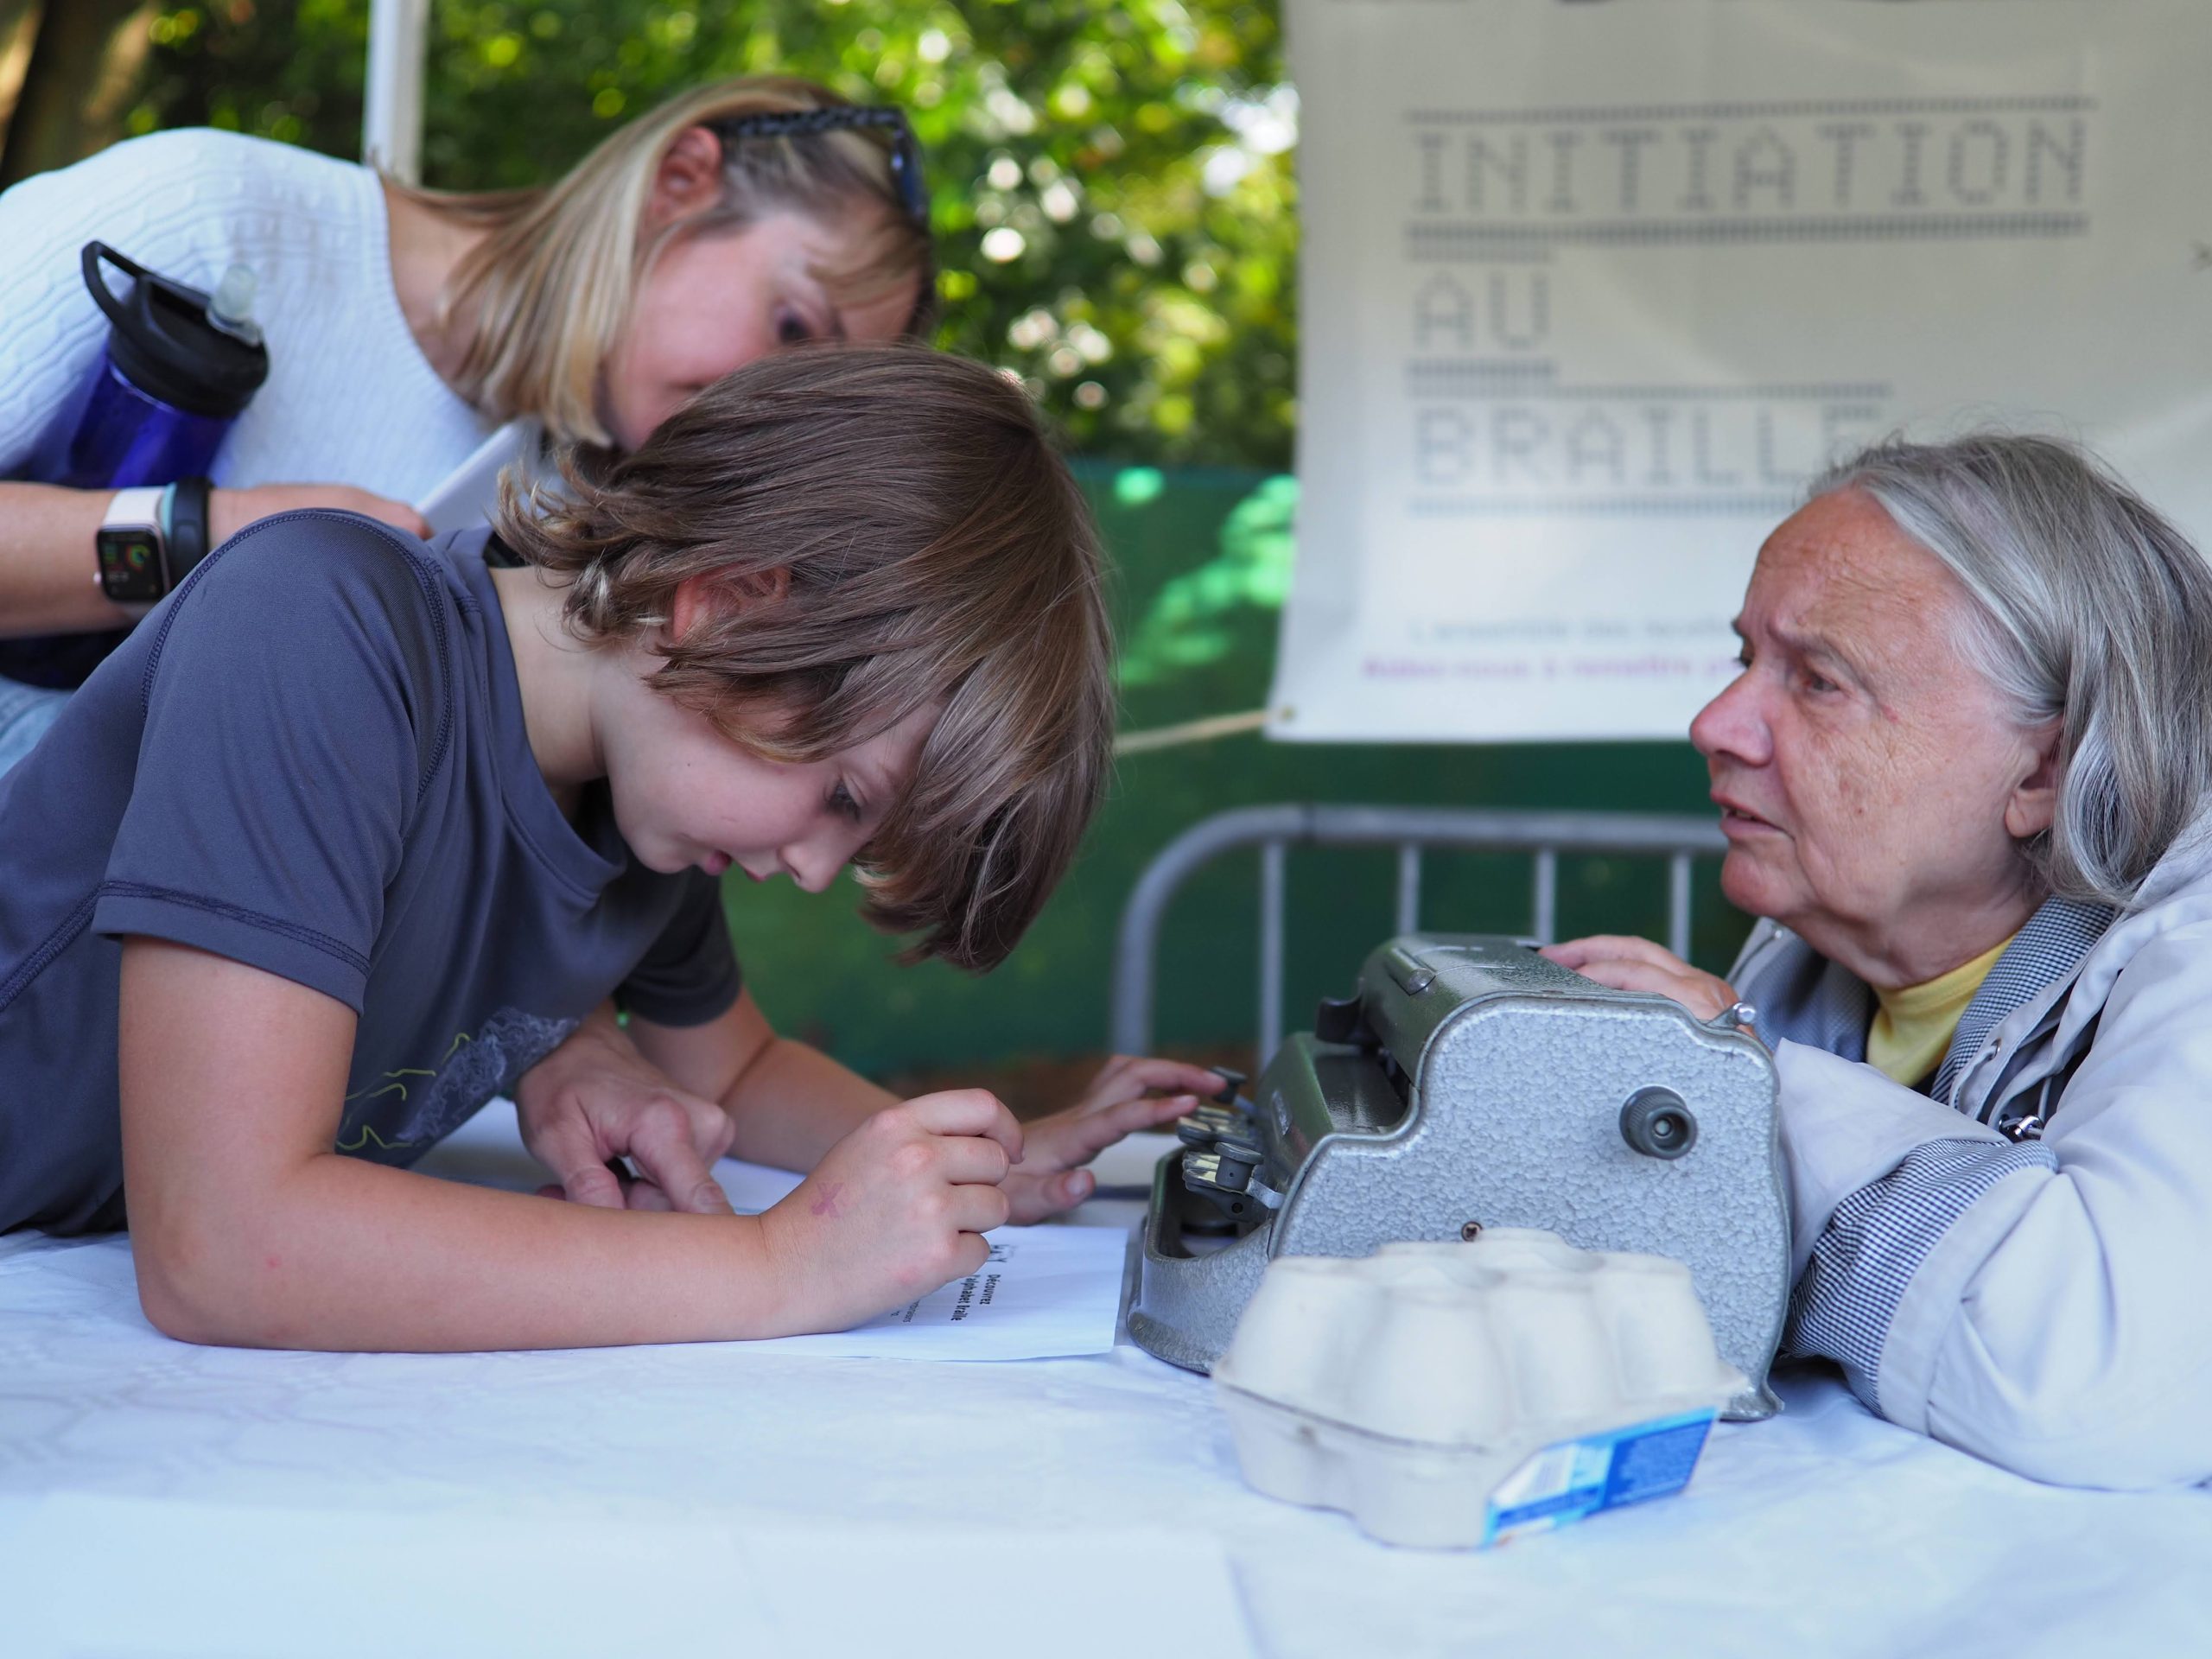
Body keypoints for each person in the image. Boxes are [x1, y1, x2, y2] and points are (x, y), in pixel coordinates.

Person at [0, 343, 1227, 1349]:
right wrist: (774, 1266)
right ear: (729, 605)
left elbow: (732, 1077)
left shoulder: (643, 811)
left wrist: (974, 1170)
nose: (808, 867)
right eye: (845, 801)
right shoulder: (320, 627)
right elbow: (225, 1245)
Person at [1545, 433, 2212, 1489]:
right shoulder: (1816, 940)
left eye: (1817, 680)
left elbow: (2099, 1386)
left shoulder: (2194, 951)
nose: (1715, 725)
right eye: (1743, 663)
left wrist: (1736, 1076)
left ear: (2043, 765)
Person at [0, 73, 934, 766]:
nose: (768, 405)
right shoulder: (216, 213)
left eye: (814, 389)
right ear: (679, 183)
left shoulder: (585, 545)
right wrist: (214, 542)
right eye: (792, 325)